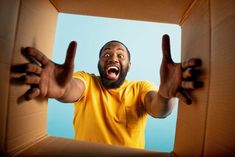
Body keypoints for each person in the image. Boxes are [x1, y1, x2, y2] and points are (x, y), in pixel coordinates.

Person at [13, 34, 202, 149]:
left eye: (121, 55)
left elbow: (159, 109)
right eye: (106, 54)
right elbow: (72, 88)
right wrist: (62, 89)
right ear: (99, 63)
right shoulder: (86, 80)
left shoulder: (140, 88)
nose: (113, 58)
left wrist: (166, 96)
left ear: (129, 65)